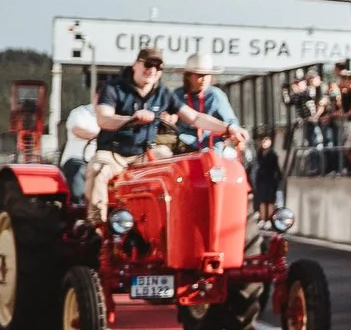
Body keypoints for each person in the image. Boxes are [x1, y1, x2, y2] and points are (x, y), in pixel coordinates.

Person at [85, 46, 183, 223]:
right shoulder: (113, 88)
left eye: (158, 67)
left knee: (176, 167)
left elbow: (195, 117)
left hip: (144, 155)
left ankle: (172, 221)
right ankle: (97, 224)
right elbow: (104, 119)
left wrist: (229, 128)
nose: (152, 70)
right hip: (114, 154)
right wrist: (131, 119)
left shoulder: (163, 94)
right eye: (148, 64)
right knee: (98, 170)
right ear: (135, 65)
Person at [169, 52, 246, 153]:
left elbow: (231, 121)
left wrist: (235, 131)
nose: (204, 79)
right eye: (199, 75)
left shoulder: (216, 95)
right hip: (183, 148)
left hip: (212, 148)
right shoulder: (177, 95)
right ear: (188, 76)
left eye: (207, 75)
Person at [250, 129, 285, 226]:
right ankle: (262, 218)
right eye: (262, 141)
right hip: (261, 179)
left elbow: (277, 169)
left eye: (266, 140)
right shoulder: (259, 154)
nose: (264, 142)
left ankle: (269, 219)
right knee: (261, 200)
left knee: (269, 201)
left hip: (270, 180)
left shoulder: (273, 155)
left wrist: (279, 180)